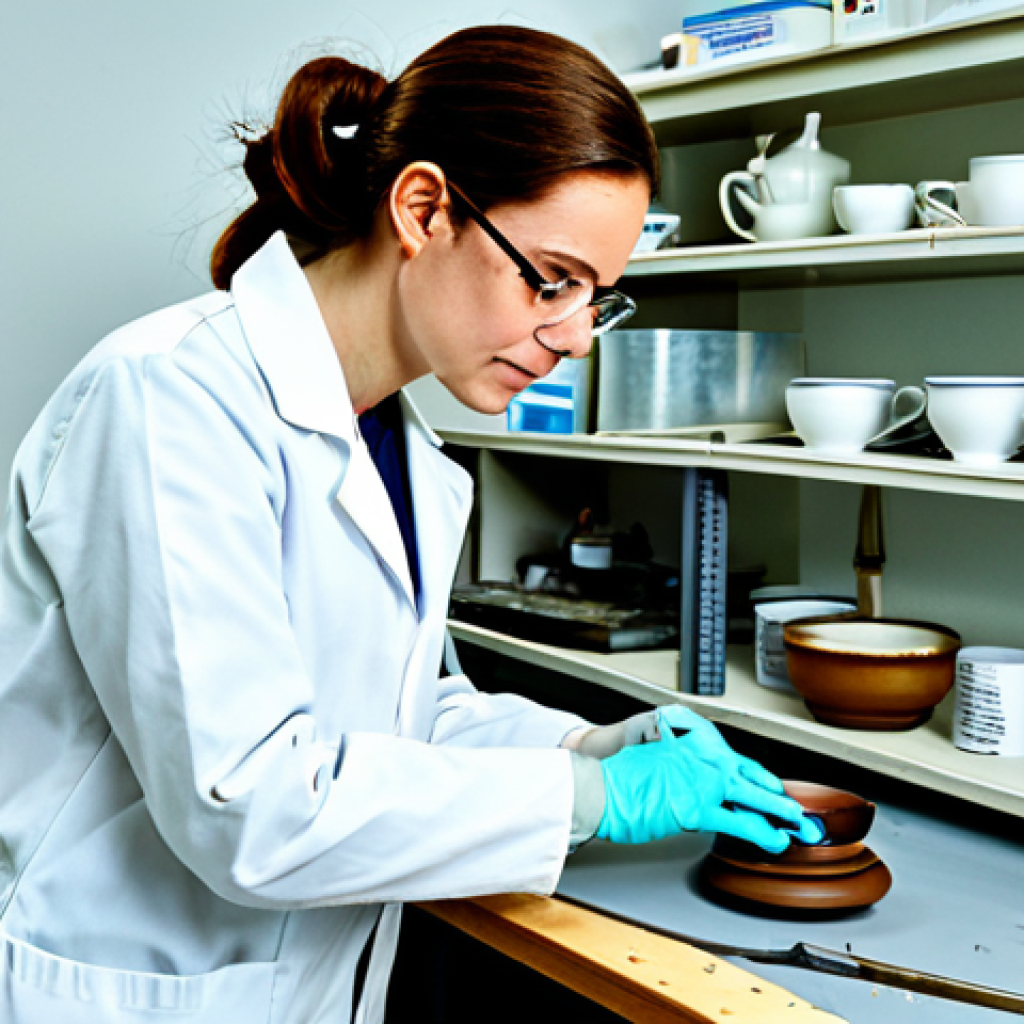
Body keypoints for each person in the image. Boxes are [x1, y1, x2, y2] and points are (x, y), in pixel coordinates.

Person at [0, 25, 820, 1024]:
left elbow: (401, 718)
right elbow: (252, 801)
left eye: (597, 299)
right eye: (551, 278)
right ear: (424, 209)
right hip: (129, 988)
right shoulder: (169, 400)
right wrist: (588, 803)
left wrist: (592, 747)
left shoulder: (402, 448)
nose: (570, 336)